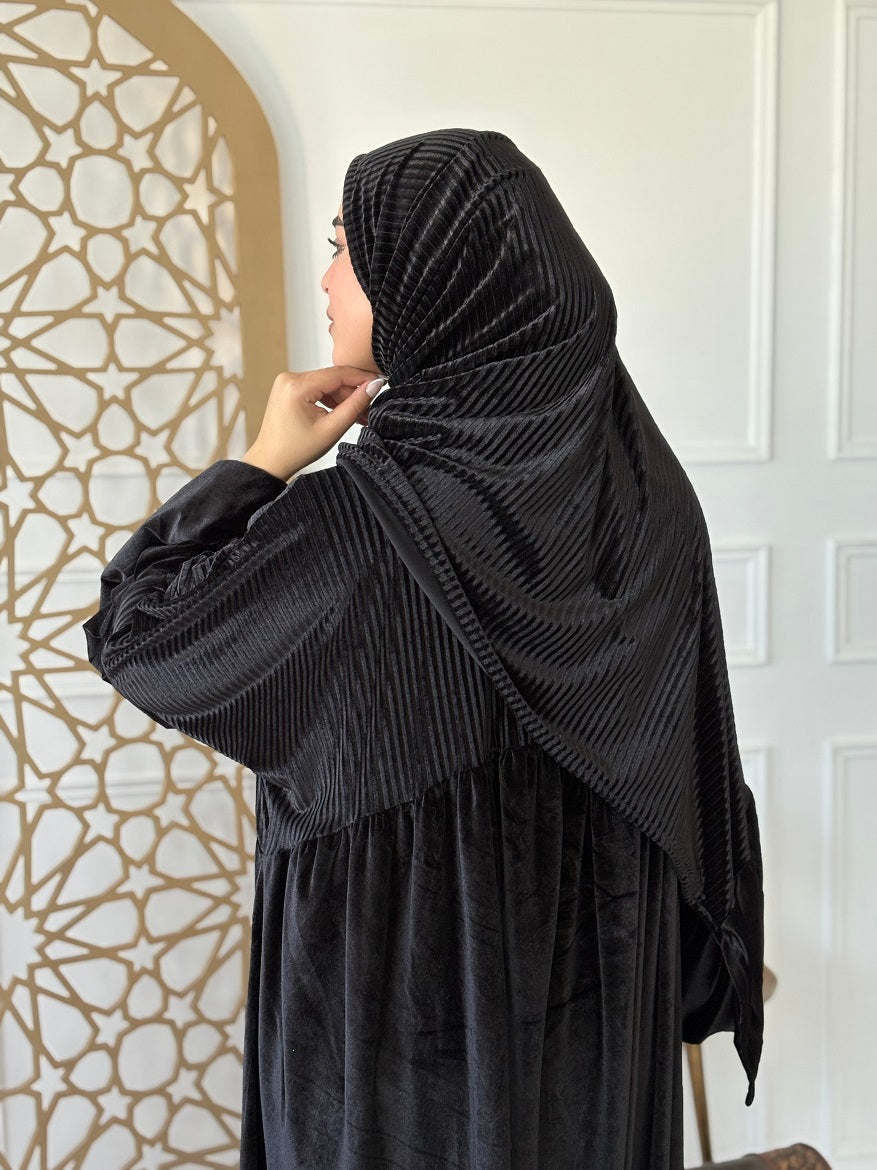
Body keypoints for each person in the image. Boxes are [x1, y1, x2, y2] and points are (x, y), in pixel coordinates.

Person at [83, 127, 765, 1169]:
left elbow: (138, 634)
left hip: (393, 1054)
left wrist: (262, 462)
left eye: (346, 249)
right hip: (593, 1032)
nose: (326, 278)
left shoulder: (354, 530)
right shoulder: (649, 503)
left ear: (437, 279)